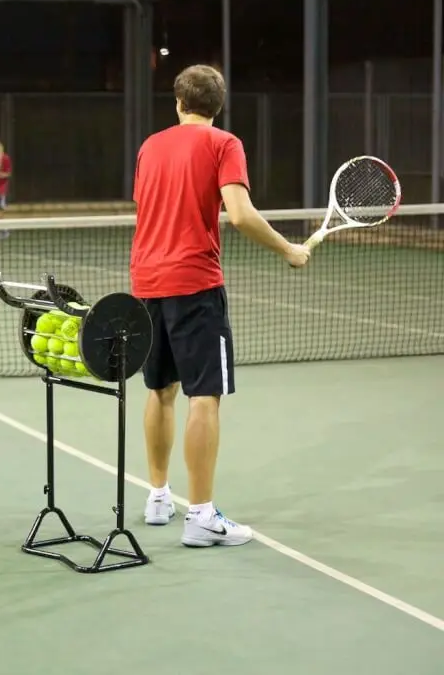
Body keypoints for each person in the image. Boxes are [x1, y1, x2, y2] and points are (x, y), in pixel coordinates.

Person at [130, 64, 310, 548]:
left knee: (159, 389)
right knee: (203, 396)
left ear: (178, 102)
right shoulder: (224, 144)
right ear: (218, 106)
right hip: (195, 285)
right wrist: (289, 249)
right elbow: (241, 215)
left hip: (147, 281)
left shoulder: (150, 146)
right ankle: (202, 517)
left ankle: (158, 497)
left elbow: (147, 206)